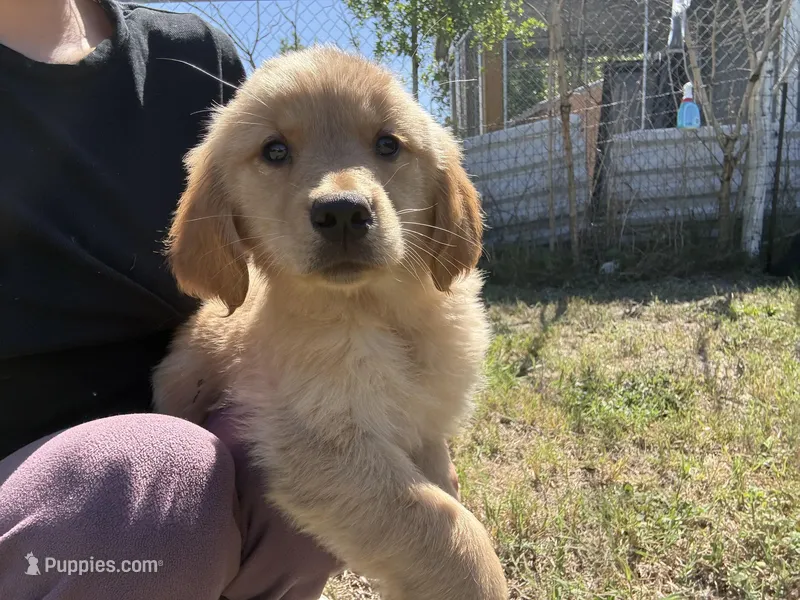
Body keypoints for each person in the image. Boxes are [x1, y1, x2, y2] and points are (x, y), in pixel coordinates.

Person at [0, 0, 434, 597]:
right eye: (277, 154)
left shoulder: (194, 58)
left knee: (305, 475)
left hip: (191, 423)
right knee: (156, 493)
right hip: (50, 500)